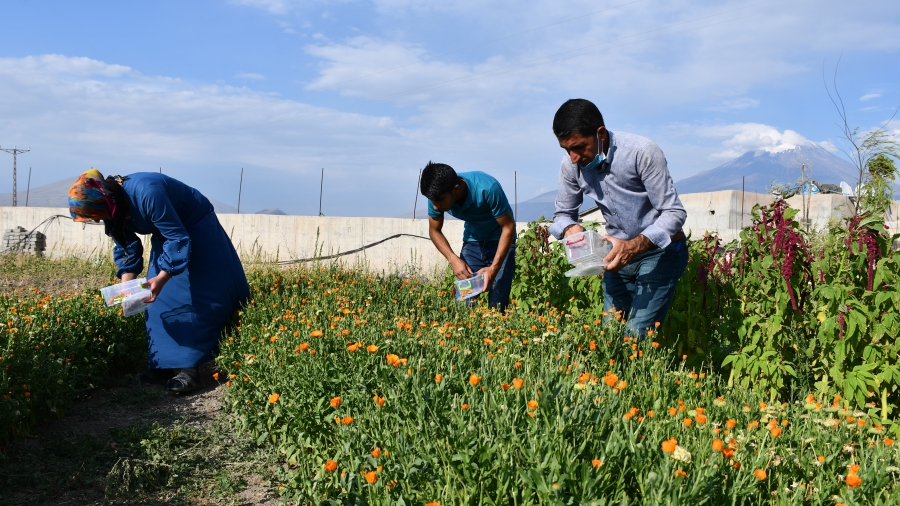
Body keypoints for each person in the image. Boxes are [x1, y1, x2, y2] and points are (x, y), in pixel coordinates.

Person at [68, 169, 249, 393]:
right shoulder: (113, 206)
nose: (98, 220)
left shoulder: (147, 193)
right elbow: (127, 246)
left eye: (96, 216)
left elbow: (177, 237)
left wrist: (163, 278)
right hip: (168, 233)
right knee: (154, 299)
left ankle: (189, 371)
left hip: (194, 226)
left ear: (106, 205)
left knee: (188, 294)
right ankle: (162, 366)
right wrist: (127, 288)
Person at [549, 99, 688, 336]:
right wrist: (570, 228)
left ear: (600, 133)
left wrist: (634, 246)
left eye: (580, 147)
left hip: (660, 252)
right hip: (616, 256)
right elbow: (562, 214)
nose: (573, 157)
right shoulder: (571, 165)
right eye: (566, 149)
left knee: (636, 336)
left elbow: (674, 212)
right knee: (610, 335)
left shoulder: (641, 152)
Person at [421, 162, 517, 310]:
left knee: (497, 303)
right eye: (433, 201)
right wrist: (453, 259)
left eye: (439, 201)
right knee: (464, 303)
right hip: (473, 243)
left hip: (501, 241)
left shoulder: (487, 188)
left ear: (456, 189)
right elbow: (434, 230)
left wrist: (494, 268)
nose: (435, 207)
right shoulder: (436, 195)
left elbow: (508, 226)